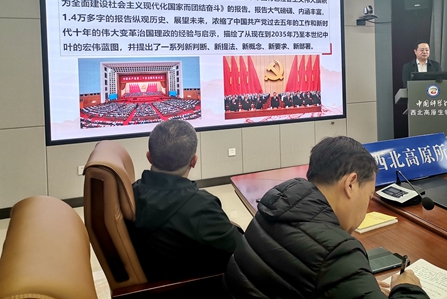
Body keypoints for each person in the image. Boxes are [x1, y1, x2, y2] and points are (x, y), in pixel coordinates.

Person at [223, 136, 428, 299]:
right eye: (368, 196)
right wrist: (408, 288)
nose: (365, 209)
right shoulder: (337, 251)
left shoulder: (274, 206)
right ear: (350, 184)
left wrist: (357, 285)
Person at [131, 119, 243, 281]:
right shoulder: (201, 207)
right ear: (194, 161)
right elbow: (243, 252)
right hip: (198, 286)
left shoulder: (132, 193)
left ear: (149, 157)